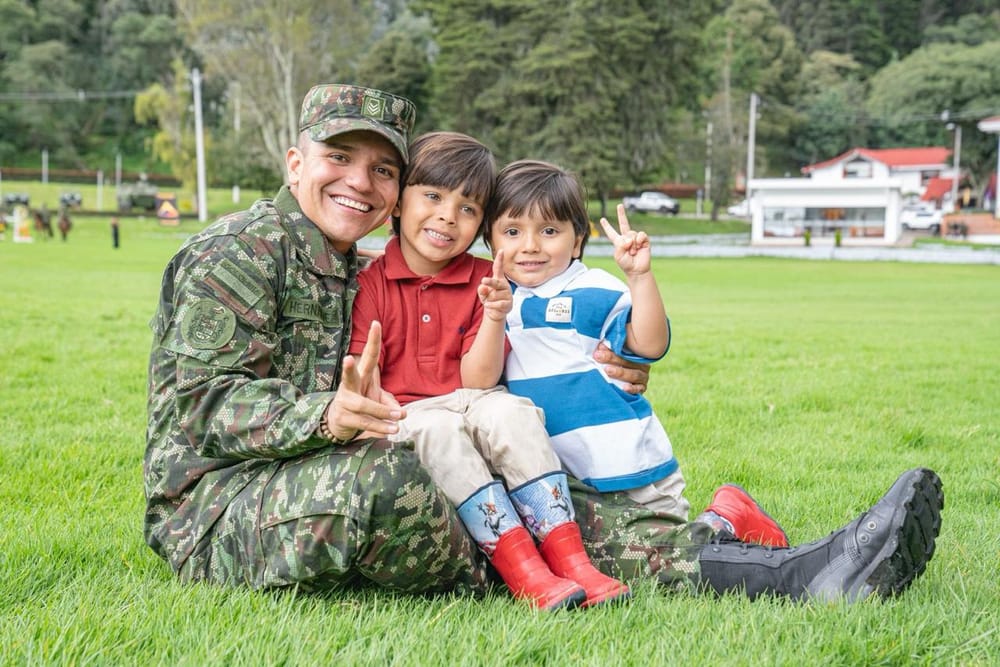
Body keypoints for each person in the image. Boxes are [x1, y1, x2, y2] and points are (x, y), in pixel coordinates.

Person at [144, 82, 942, 605]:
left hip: (347, 449)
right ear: (295, 161)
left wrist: (614, 358)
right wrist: (327, 414)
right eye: (339, 158)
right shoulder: (240, 253)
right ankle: (752, 553)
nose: (360, 180)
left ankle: (792, 563)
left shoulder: (356, 258)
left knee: (533, 480)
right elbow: (203, 407)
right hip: (221, 500)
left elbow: (527, 302)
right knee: (415, 488)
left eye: (382, 168)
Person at [348, 131, 628, 609]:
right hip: (411, 412)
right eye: (433, 197)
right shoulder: (371, 282)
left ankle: (572, 560)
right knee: (436, 429)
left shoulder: (486, 279)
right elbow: (363, 370)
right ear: (398, 204)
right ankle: (525, 571)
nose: (446, 216)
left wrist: (495, 314)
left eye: (468, 208)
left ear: (480, 225)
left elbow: (479, 382)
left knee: (511, 413)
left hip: (473, 397)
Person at [484, 159, 787, 547]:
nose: (530, 246)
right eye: (512, 231)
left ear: (577, 240)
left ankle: (728, 515)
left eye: (548, 231)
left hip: (628, 463)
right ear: (491, 242)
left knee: (666, 546)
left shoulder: (593, 288)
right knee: (596, 550)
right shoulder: (496, 299)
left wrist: (640, 277)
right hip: (565, 477)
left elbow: (648, 344)